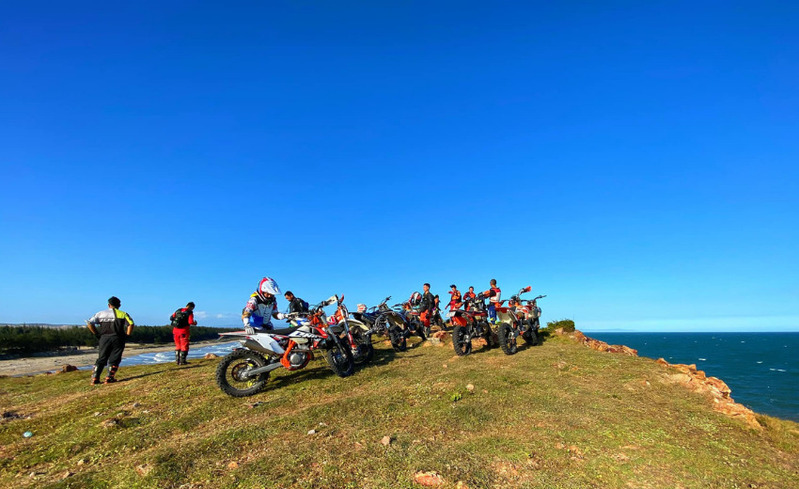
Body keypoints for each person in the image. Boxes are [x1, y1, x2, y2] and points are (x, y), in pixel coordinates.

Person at [85, 296, 135, 385]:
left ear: (109, 305)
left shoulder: (100, 313)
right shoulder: (123, 314)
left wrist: (96, 334)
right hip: (117, 337)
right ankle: (109, 377)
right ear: (119, 305)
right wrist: (127, 335)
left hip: (104, 337)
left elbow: (89, 323)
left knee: (102, 357)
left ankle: (95, 378)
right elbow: (131, 324)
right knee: (115, 358)